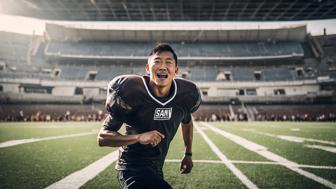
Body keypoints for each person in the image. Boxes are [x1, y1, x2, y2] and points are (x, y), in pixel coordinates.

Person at [97, 43, 201, 189]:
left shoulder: (184, 96)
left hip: (156, 167)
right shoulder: (131, 91)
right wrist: (138, 137)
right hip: (132, 167)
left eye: (168, 62)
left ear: (176, 70)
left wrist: (188, 153)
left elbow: (187, 121)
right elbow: (102, 137)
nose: (163, 66)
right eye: (157, 61)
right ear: (147, 68)